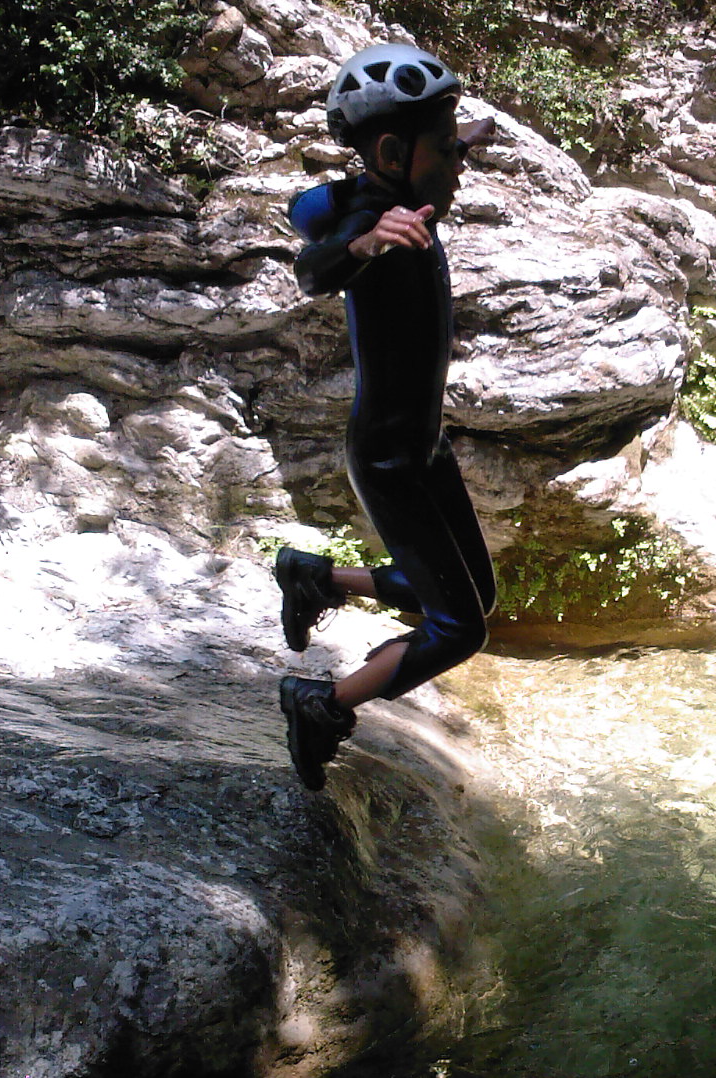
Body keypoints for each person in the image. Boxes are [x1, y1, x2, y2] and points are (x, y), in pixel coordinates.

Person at [274, 44, 498, 790]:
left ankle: (314, 579)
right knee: (459, 627)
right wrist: (366, 243)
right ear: (395, 152)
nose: (458, 162)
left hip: (424, 449)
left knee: (474, 594)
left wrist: (459, 142)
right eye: (445, 147)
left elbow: (315, 204)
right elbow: (315, 267)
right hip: (387, 458)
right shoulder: (375, 222)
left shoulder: (410, 195)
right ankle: (321, 703)